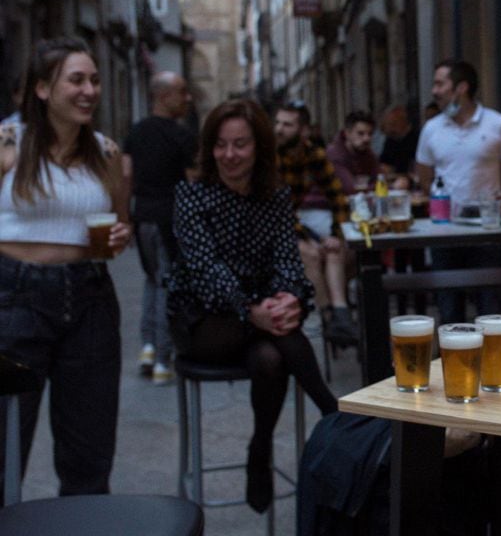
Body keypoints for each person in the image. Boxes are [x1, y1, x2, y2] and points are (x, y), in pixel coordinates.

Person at [166, 98, 338, 513]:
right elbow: (207, 270)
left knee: (269, 358)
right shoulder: (192, 195)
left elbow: (287, 261)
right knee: (274, 334)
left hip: (258, 322)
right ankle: (333, 412)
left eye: (240, 144)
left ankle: (259, 451)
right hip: (202, 321)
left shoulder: (275, 197)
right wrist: (252, 308)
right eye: (221, 146)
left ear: (259, 147)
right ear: (210, 149)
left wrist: (290, 297)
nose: (229, 155)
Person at [0, 36, 132, 495]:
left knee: (88, 459)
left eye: (94, 80)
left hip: (90, 299)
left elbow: (120, 231)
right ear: (42, 89)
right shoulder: (7, 143)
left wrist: (119, 237)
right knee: (3, 453)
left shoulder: (107, 153)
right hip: (13, 300)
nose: (90, 90)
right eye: (76, 80)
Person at [415, 59, 501, 323]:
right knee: (449, 312)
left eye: (440, 84)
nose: (434, 91)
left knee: (491, 311)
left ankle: (493, 364)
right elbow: (425, 178)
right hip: (444, 235)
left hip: (486, 233)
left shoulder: (498, 124)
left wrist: (496, 209)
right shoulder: (431, 129)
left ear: (461, 88)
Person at [122, 71, 196, 385]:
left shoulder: (135, 132)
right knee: (169, 282)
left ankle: (149, 346)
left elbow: (126, 175)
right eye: (182, 91)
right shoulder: (182, 135)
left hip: (143, 218)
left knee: (153, 279)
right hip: (170, 218)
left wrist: (126, 216)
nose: (187, 97)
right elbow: (193, 181)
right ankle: (164, 360)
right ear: (164, 96)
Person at [274, 101, 357, 346]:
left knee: (334, 250)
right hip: (267, 228)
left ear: (304, 130)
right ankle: (328, 318)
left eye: (287, 125)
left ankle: (341, 313)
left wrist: (334, 233)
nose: (279, 129)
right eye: (277, 122)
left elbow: (337, 197)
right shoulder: (270, 155)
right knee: (310, 253)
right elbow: (278, 209)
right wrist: (311, 237)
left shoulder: (313, 154)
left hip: (291, 224)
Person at [327, 109, 381, 195]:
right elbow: (350, 189)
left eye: (370, 134)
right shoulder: (334, 154)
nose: (366, 139)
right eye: (360, 133)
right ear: (347, 133)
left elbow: (380, 181)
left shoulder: (368, 154)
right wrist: (381, 187)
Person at [378, 105, 419, 178]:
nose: (389, 129)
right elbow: (384, 164)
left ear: (403, 121)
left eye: (393, 124)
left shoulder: (417, 139)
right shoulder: (391, 140)